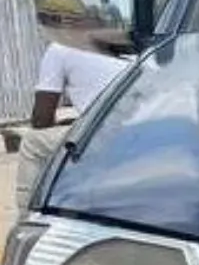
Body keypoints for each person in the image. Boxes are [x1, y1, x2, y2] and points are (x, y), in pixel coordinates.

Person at [17, 37, 130, 210]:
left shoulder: (61, 47)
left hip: (107, 135)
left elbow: (41, 119)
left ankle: (27, 213)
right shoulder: (135, 43)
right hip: (146, 129)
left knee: (32, 142)